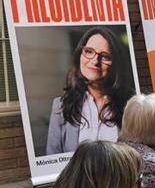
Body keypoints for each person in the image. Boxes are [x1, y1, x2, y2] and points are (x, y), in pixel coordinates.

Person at [46, 27, 136, 155]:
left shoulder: (131, 105)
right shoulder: (60, 106)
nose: (95, 61)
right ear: (79, 55)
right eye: (89, 51)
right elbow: (52, 159)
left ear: (116, 63)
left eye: (105, 56)